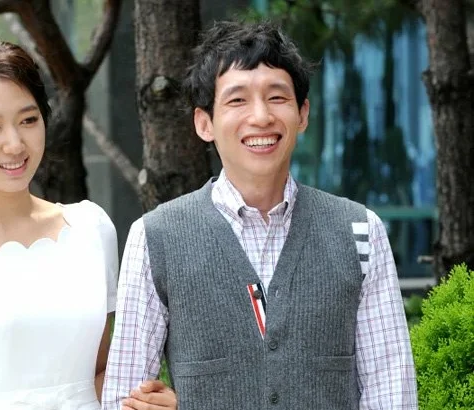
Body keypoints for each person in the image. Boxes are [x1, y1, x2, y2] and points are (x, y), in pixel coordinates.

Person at [103, 20, 418, 409]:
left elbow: (391, 392)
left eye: (277, 97)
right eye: (237, 100)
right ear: (204, 123)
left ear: (303, 114)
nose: (261, 117)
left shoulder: (360, 232)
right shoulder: (155, 238)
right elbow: (125, 397)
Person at [0, 35, 176, 410]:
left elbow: (101, 376)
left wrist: (145, 401)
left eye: (28, 120)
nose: (15, 144)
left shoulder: (90, 229)